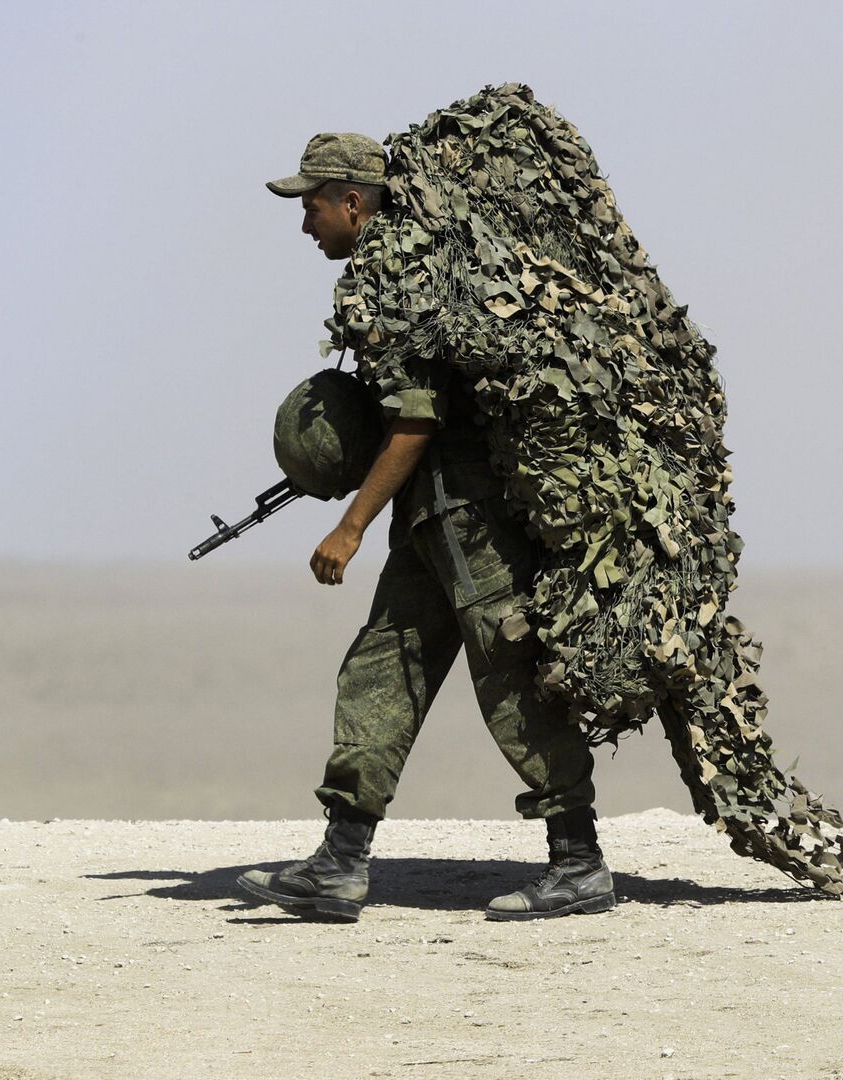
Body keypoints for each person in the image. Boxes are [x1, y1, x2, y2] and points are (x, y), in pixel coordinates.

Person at [236, 133, 614, 922]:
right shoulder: (397, 270)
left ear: (353, 202)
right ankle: (340, 863)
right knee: (381, 671)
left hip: (468, 518)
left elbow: (416, 420)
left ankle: (578, 861)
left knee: (510, 675)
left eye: (310, 203)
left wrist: (351, 523)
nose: (305, 221)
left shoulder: (395, 280)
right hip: (430, 516)